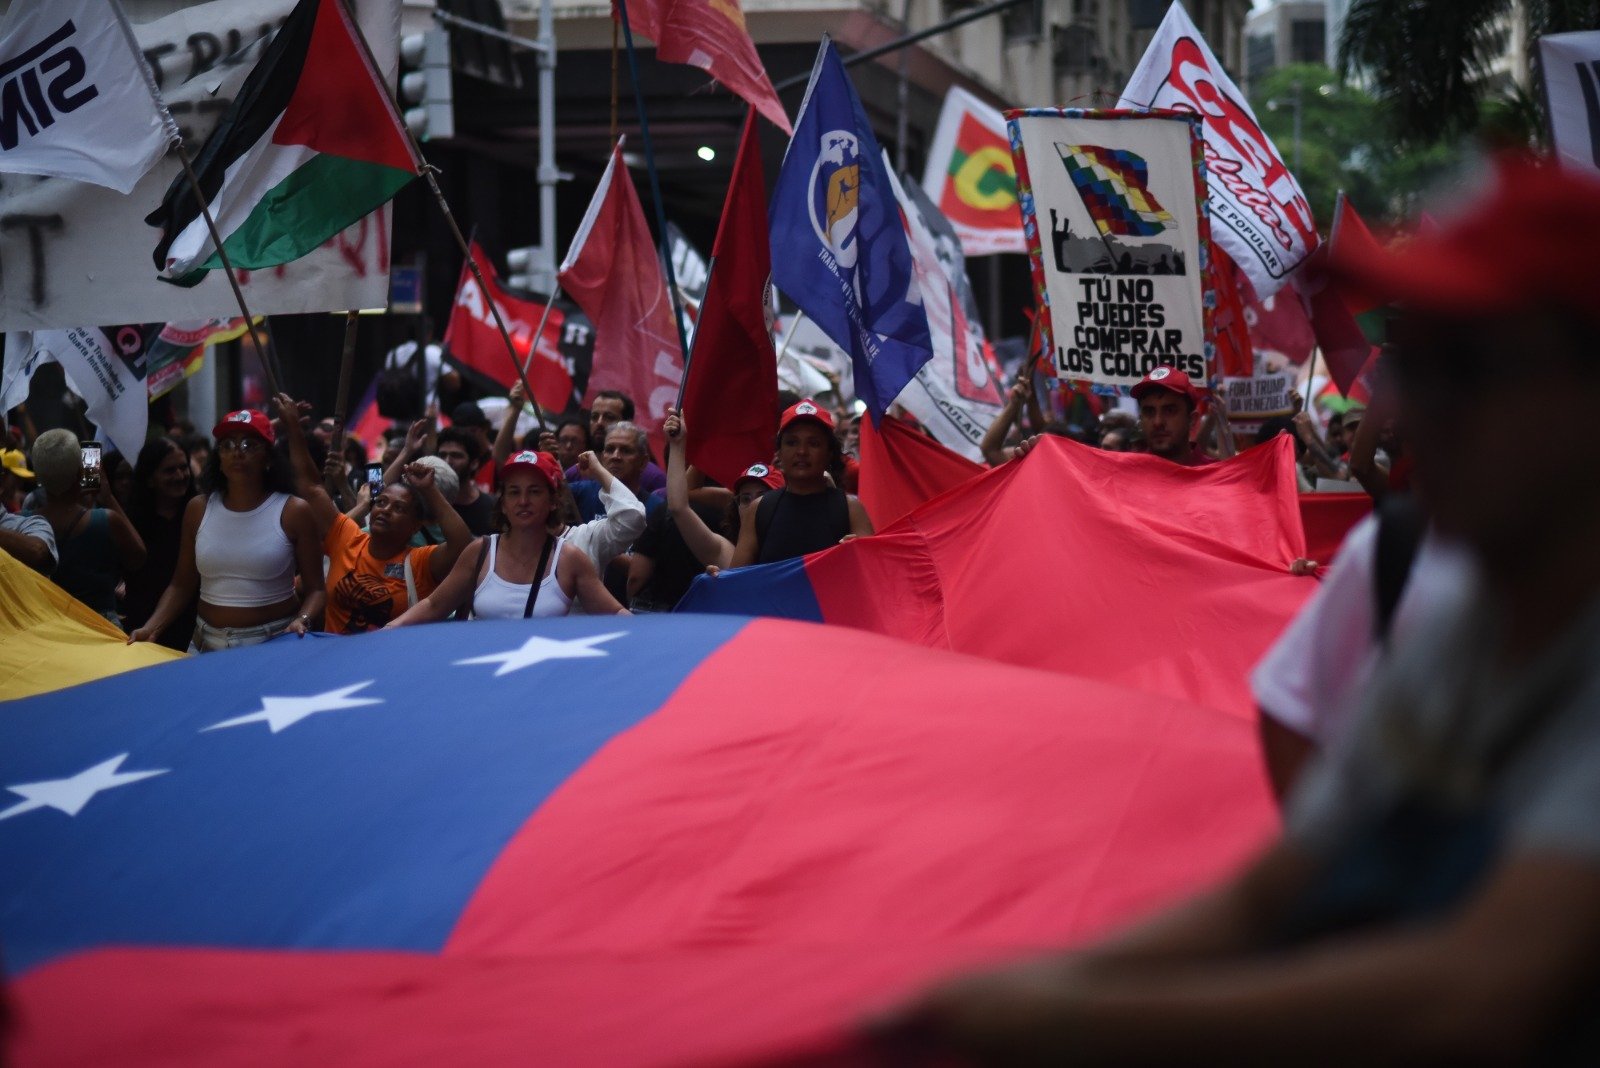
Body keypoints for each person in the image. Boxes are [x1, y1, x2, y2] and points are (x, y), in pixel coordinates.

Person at [874, 157, 1600, 1062]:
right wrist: (1029, 983)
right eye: (1418, 365)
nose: (1408, 412)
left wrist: (1064, 1017)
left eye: (1468, 367)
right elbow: (1280, 889)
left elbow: (1481, 988)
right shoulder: (1456, 611)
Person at [129, 409, 325, 651]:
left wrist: (302, 620)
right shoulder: (198, 509)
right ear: (218, 459)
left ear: (269, 458)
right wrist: (151, 628)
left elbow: (316, 589)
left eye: (249, 444)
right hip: (205, 645)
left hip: (273, 643)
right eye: (227, 444)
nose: (237, 452)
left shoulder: (294, 511)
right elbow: (181, 584)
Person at [275, 395, 473, 634]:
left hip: (389, 665)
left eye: (399, 508)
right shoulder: (346, 538)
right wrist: (294, 430)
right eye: (381, 502)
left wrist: (429, 490)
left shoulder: (420, 562)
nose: (385, 510)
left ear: (415, 526)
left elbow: (461, 543)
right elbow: (311, 488)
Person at [388, 449, 626, 623]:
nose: (523, 501)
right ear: (502, 503)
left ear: (553, 501)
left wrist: (654, 637)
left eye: (534, 491)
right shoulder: (479, 552)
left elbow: (615, 614)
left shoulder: (570, 559)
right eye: (514, 492)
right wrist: (386, 632)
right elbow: (433, 605)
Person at [630, 409, 782, 610]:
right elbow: (678, 507)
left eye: (762, 496)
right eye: (745, 498)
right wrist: (678, 445)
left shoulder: (794, 551)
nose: (753, 504)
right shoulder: (729, 555)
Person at [732, 399, 873, 567]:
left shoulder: (851, 509)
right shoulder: (759, 509)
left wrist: (861, 552)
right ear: (779, 452)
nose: (801, 452)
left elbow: (875, 574)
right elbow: (735, 581)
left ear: (829, 453)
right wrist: (715, 578)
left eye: (813, 444)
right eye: (792, 442)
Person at [27, 430, 145, 622]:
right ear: (81, 472)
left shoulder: (20, 523)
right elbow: (138, 557)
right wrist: (107, 498)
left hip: (45, 624)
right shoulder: (105, 520)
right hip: (99, 624)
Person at [123, 437, 198, 651]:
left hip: (193, 630)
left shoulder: (201, 514)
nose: (180, 476)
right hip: (142, 631)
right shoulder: (131, 520)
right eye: (169, 470)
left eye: (184, 468)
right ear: (149, 479)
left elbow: (183, 583)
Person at [0, 447, 55, 574]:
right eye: (16, 478)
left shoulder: (29, 523)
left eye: (21, 480)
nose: (18, 485)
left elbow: (37, 551)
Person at [434, 427, 497, 536]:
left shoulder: (493, 507)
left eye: (456, 456)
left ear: (474, 463)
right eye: (442, 455)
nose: (447, 461)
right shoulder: (428, 506)